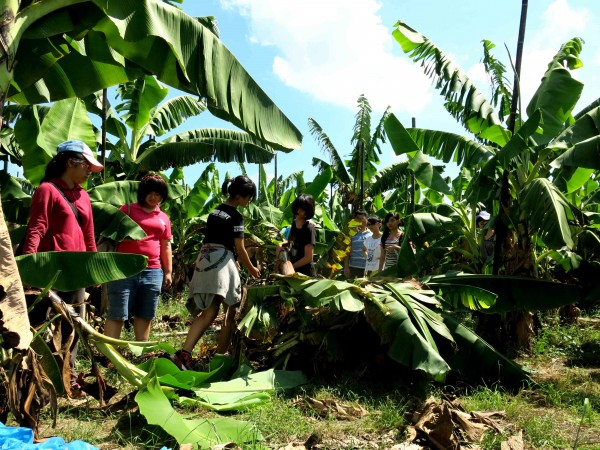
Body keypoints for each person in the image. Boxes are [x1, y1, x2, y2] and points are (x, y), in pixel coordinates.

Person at [22, 139, 103, 369]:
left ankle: (67, 372)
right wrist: (29, 263)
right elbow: (36, 228)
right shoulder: (47, 190)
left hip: (75, 271)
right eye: (86, 165)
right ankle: (31, 372)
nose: (89, 170)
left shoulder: (83, 196)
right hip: (49, 269)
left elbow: (89, 235)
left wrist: (94, 268)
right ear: (70, 162)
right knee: (37, 322)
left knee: (74, 323)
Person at [173, 176, 261, 370]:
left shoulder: (215, 211)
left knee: (209, 312)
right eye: (248, 198)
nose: (248, 202)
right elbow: (240, 248)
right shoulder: (236, 217)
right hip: (221, 262)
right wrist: (252, 269)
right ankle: (220, 359)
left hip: (205, 258)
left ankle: (184, 354)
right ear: (239, 196)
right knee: (231, 311)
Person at [104, 174, 173, 341]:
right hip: (123, 269)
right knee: (117, 313)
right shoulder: (126, 210)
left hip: (152, 270)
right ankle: (109, 354)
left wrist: (168, 272)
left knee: (145, 314)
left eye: (157, 194)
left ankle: (140, 352)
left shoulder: (163, 218)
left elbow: (166, 245)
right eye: (150, 193)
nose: (153, 197)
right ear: (142, 193)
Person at [285, 194, 317, 276]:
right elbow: (291, 242)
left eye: (302, 210)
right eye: (297, 208)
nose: (298, 212)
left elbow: (308, 257)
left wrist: (291, 267)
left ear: (307, 212)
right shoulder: (294, 224)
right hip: (294, 271)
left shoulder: (309, 229)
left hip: (306, 274)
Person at [344, 209, 371, 278]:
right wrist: (346, 267)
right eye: (358, 219)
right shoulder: (351, 234)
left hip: (368, 268)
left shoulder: (371, 234)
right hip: (354, 267)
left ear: (367, 220)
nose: (360, 220)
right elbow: (347, 252)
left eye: (362, 218)